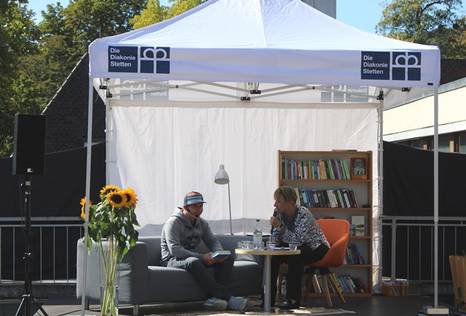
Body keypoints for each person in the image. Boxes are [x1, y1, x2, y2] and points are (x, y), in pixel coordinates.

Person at [160, 191, 248, 311]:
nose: (199, 209)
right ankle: (228, 298)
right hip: (171, 260)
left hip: (194, 257)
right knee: (193, 261)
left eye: (201, 206)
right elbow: (175, 250)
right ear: (186, 207)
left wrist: (218, 253)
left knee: (227, 259)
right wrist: (202, 257)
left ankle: (214, 300)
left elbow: (212, 241)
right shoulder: (173, 223)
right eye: (195, 206)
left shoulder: (201, 223)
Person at [269, 186, 329, 309]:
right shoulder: (279, 214)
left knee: (295, 257)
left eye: (278, 201)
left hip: (316, 247)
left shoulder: (303, 213)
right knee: (271, 258)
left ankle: (292, 301)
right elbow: (275, 240)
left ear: (290, 201)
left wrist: (280, 227)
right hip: (295, 246)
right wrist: (274, 234)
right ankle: (268, 299)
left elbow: (298, 240)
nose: (275, 204)